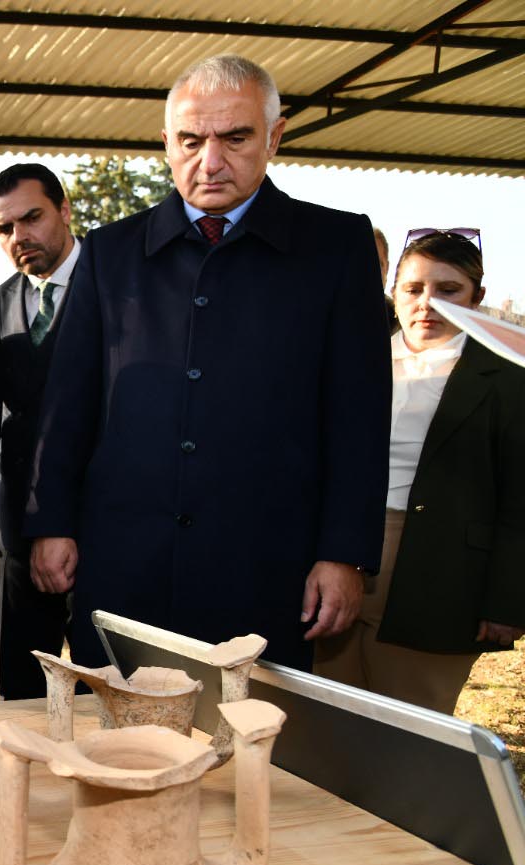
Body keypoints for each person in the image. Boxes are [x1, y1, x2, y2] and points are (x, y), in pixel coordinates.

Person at [26, 54, 389, 671]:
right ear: (166, 143)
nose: (210, 161)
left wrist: (344, 554)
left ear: (274, 137)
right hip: (124, 563)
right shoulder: (111, 252)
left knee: (249, 726)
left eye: (235, 138)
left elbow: (358, 415)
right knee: (116, 725)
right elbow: (69, 401)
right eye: (191, 141)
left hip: (267, 567)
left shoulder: (335, 247)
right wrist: (50, 522)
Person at [315, 230, 525, 711]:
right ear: (394, 291)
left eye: (448, 290)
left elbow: (520, 498)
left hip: (442, 567)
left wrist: (508, 600)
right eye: (413, 288)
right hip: (336, 551)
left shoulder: (508, 378)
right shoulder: (353, 356)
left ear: (477, 296)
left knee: (407, 718)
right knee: (324, 712)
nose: (427, 303)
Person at [0, 163, 81, 699]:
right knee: (19, 691)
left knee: (110, 690)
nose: (19, 236)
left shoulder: (121, 289)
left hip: (104, 526)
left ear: (64, 210)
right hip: (17, 530)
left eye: (32, 217)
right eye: (4, 228)